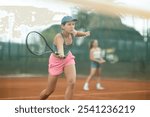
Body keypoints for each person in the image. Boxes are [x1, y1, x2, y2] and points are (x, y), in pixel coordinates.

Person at [40, 16, 90, 100]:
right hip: (56, 62)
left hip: (68, 58)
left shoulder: (72, 32)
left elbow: (77, 33)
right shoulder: (59, 37)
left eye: (73, 24)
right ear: (62, 26)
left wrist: (85, 33)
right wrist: (61, 54)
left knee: (72, 83)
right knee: (49, 90)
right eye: (69, 24)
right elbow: (60, 48)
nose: (72, 26)